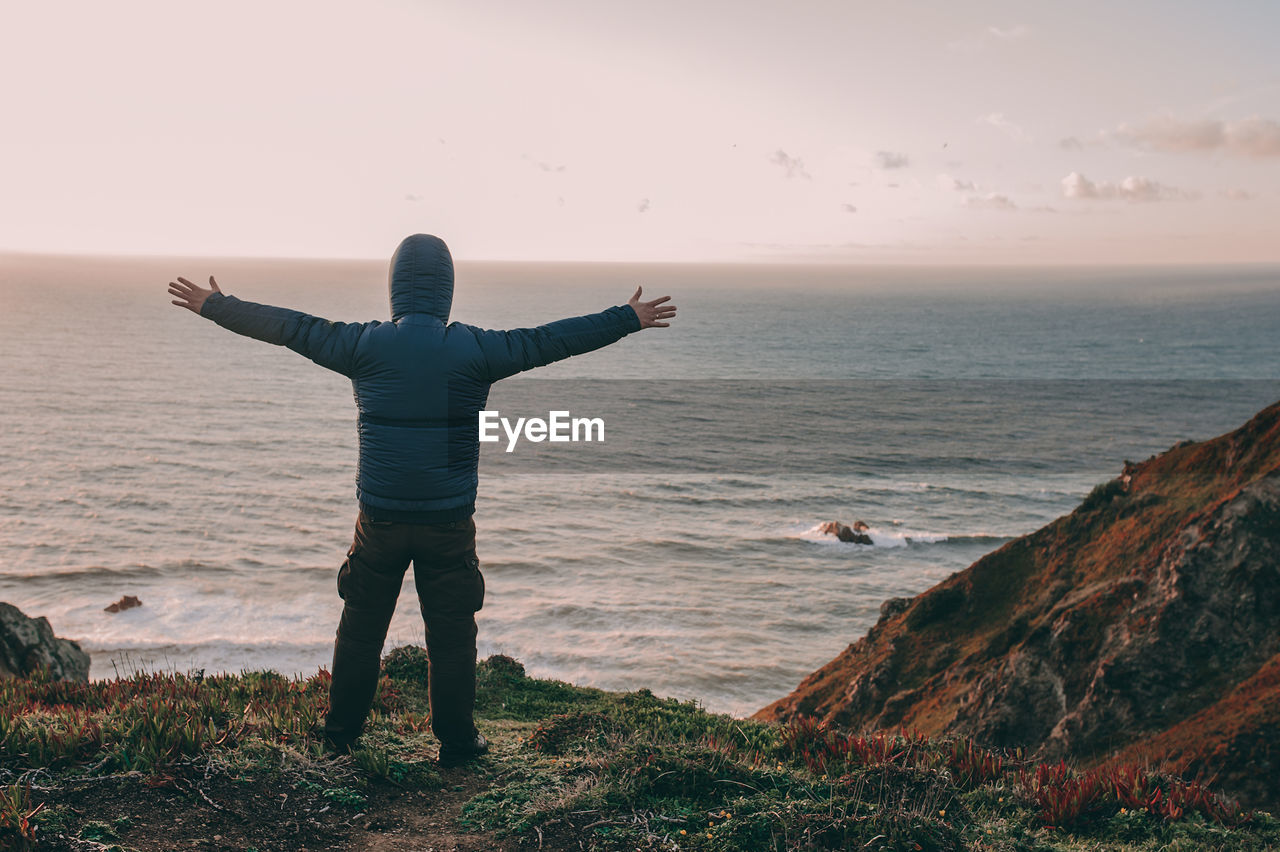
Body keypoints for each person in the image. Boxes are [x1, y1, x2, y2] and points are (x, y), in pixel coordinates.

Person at [168, 234, 676, 766]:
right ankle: (457, 745)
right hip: (449, 522)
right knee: (452, 637)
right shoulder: (479, 348)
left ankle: (340, 739)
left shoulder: (362, 343)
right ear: (447, 291)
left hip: (379, 521)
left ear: (394, 288)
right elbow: (553, 339)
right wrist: (627, 317)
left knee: (361, 631)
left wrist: (216, 307)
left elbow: (290, 327)